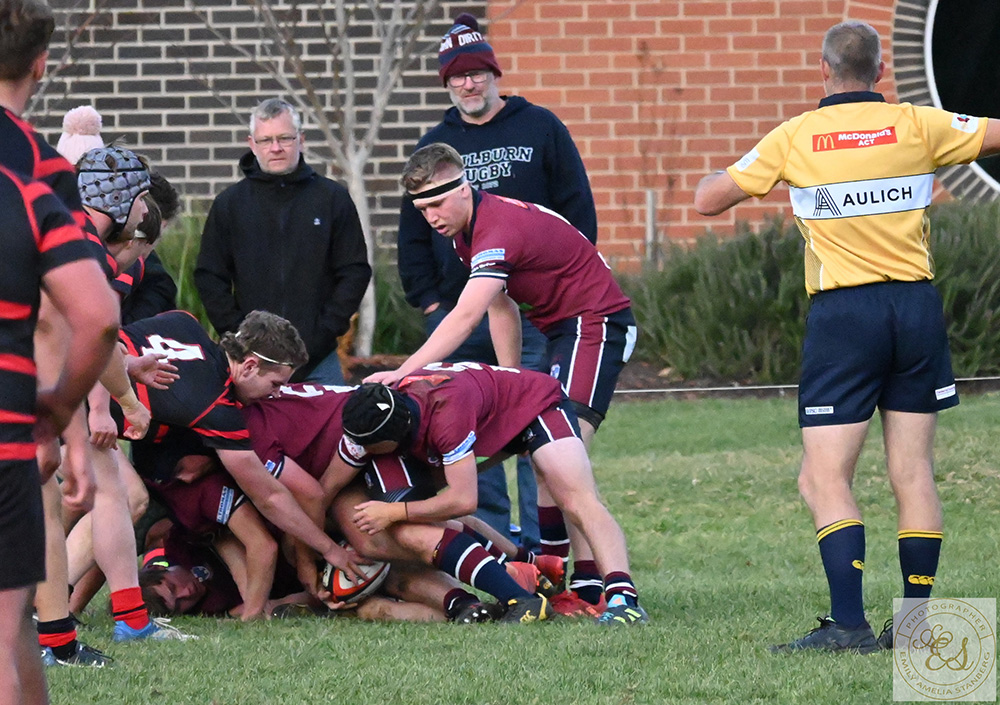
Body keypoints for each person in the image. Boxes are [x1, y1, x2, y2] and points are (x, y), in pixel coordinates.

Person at [693, 20, 1000, 654]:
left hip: (844, 316)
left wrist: (751, 172)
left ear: (824, 70)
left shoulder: (795, 135)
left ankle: (849, 625)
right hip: (915, 308)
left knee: (823, 477)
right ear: (881, 71)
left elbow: (707, 200)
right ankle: (914, 626)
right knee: (913, 471)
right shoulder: (918, 125)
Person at [374, 142, 636, 614]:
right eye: (421, 209)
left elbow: (465, 316)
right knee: (545, 456)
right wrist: (513, 382)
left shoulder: (496, 229)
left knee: (563, 462)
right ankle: (561, 576)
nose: (431, 218)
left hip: (595, 324)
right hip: (562, 330)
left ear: (464, 187)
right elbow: (501, 306)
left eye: (437, 203)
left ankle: (599, 587)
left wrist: (404, 370)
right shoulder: (466, 232)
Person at [398, 13, 598, 557]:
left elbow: (578, 210)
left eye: (477, 73)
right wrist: (431, 302)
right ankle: (495, 550)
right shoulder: (436, 144)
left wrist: (561, 286)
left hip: (530, 312)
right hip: (460, 314)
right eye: (457, 77)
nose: (468, 84)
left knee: (539, 424)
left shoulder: (540, 127)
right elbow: (411, 231)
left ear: (494, 74)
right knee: (464, 430)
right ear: (446, 84)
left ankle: (544, 546)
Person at [342, 363, 650, 626]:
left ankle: (624, 599)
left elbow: (464, 500)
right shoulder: (392, 402)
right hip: (493, 413)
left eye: (368, 445)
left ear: (392, 437)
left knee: (576, 498)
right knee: (426, 511)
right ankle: (536, 565)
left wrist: (394, 512)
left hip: (538, 404)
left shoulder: (446, 415)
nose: (362, 450)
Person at [115, 309, 367, 590]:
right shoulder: (217, 408)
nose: (276, 394)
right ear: (248, 366)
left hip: (81, 382)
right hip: (86, 421)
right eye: (275, 384)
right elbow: (270, 497)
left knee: (111, 507)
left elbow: (108, 335)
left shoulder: (184, 322)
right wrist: (330, 550)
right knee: (123, 502)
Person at [0, 161, 120, 704]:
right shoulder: (33, 177)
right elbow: (88, 318)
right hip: (12, 426)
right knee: (7, 633)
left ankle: (57, 632)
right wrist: (65, 420)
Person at [195, 97, 371, 384]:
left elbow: (354, 271)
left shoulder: (332, 199)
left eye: (284, 138)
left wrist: (325, 330)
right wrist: (241, 334)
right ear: (252, 144)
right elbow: (210, 276)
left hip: (319, 360)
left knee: (329, 415)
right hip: (251, 361)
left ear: (301, 139)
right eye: (266, 140)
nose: (275, 148)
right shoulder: (230, 205)